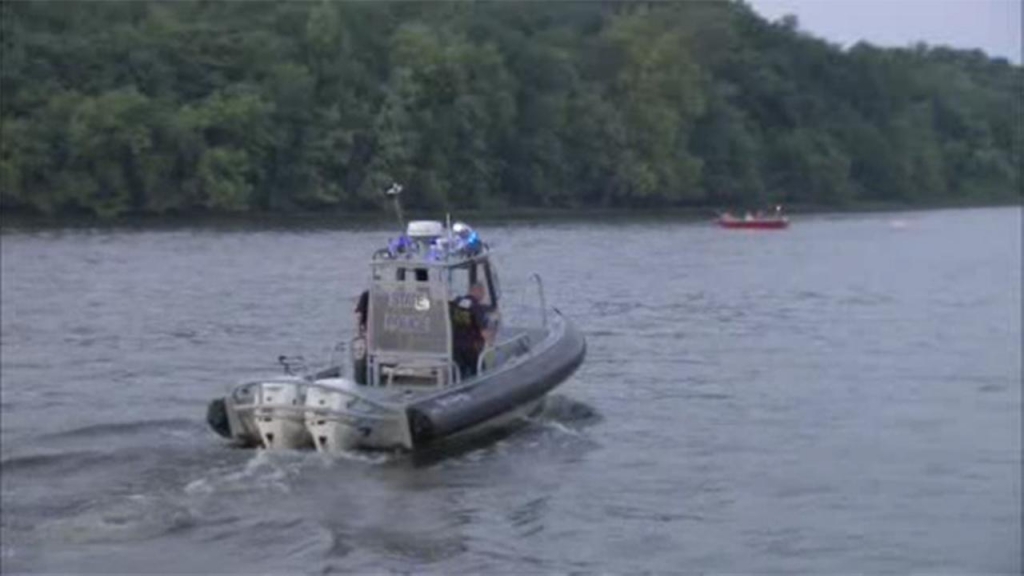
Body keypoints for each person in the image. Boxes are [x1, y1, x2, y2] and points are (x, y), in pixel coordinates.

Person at [450, 283, 493, 379]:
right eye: (483, 293)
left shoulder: (456, 303)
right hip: (472, 348)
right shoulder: (477, 307)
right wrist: (491, 345)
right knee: (478, 372)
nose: (483, 296)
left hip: (455, 347)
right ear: (478, 291)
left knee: (458, 374)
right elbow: (484, 330)